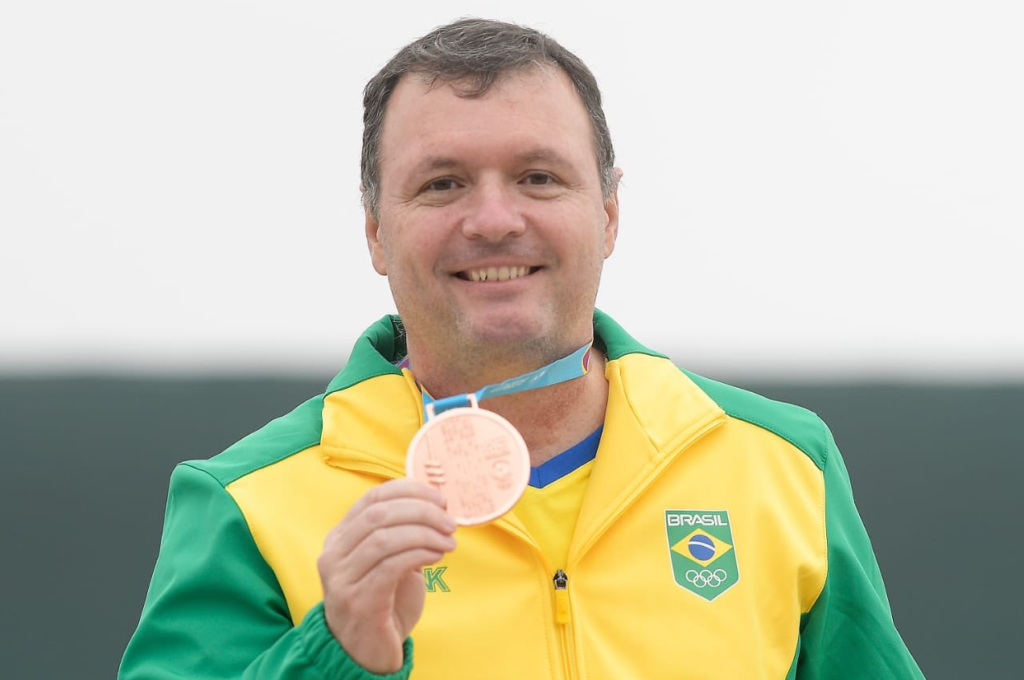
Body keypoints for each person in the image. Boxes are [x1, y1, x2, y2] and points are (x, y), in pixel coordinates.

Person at [119, 18, 926, 680]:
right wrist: (338, 655)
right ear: (375, 232)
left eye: (539, 177)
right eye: (442, 183)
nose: (495, 220)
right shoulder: (246, 501)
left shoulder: (783, 464)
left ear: (608, 213)